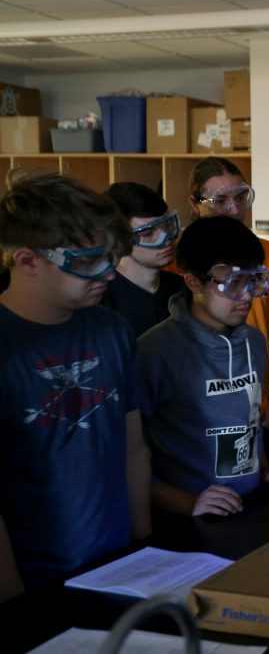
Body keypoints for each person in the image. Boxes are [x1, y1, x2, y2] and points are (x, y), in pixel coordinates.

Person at [0, 173, 151, 602]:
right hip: (34, 577)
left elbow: (133, 448)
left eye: (112, 257)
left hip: (119, 564)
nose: (108, 273)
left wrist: (143, 548)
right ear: (28, 259)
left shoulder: (113, 331)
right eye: (87, 261)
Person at [137, 216, 269, 517]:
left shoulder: (254, 342)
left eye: (254, 281)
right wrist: (187, 503)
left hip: (248, 506)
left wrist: (263, 470)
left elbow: (249, 420)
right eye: (233, 284)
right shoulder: (154, 351)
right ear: (193, 281)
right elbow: (130, 456)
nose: (246, 297)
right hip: (186, 519)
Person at [188, 157, 269, 465]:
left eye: (241, 198)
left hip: (256, 410)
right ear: (195, 204)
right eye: (220, 200)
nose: (234, 209)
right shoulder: (180, 260)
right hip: (198, 415)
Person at [101, 181, 184, 337]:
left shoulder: (182, 290)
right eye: (148, 233)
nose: (166, 240)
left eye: (167, 226)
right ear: (119, 238)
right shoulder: (101, 298)